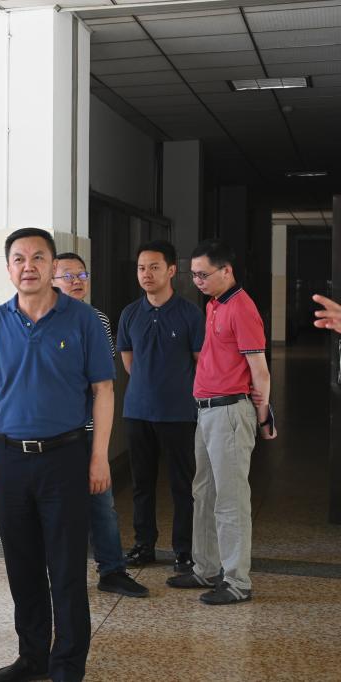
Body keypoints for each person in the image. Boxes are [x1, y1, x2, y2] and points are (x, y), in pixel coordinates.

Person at [0, 228, 114, 682]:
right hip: (10, 459)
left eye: (38, 257)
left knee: (67, 567)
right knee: (23, 566)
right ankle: (32, 656)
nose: (28, 266)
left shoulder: (82, 319)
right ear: (8, 268)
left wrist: (99, 456)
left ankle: (67, 664)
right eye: (19, 258)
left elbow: (104, 390)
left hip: (66, 456)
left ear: (53, 266)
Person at [167, 239, 275, 605]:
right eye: (193, 275)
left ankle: (237, 581)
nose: (197, 281)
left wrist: (264, 416)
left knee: (230, 499)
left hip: (229, 412)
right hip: (207, 411)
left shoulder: (241, 308)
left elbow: (259, 370)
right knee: (204, 493)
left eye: (203, 275)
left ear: (226, 271)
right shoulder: (215, 304)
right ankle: (206, 567)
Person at [51, 252, 147, 598]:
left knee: (102, 503)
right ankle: (62, 574)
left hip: (89, 429)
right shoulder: (41, 318)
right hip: (54, 433)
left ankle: (112, 570)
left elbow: (102, 378)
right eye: (68, 276)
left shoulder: (98, 319)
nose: (77, 281)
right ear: (51, 280)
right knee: (59, 509)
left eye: (82, 275)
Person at [117, 241, 204, 574]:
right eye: (141, 268)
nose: (146, 274)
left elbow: (200, 362)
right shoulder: (130, 313)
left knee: (183, 485)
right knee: (142, 484)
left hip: (179, 412)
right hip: (137, 411)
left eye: (154, 267)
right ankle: (144, 545)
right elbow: (129, 362)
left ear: (171, 271)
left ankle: (184, 550)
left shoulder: (190, 313)